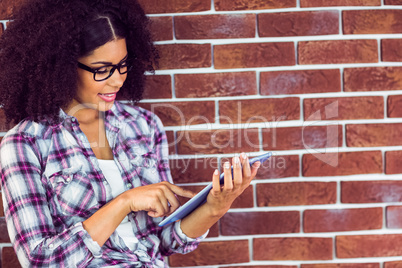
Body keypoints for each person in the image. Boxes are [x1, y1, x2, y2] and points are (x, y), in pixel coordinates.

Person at [0, 0, 261, 267]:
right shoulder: (25, 144)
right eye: (102, 70)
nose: (117, 80)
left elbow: (163, 240)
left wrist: (215, 206)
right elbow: (40, 261)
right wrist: (124, 202)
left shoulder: (144, 126)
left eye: (123, 64)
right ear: (62, 67)